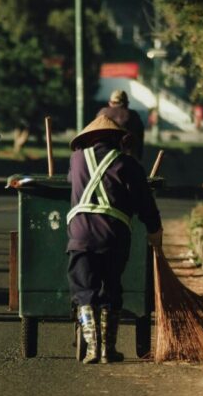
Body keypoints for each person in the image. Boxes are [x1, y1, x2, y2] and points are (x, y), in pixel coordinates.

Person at [66, 115, 162, 365]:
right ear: (118, 140)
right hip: (113, 237)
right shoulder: (128, 164)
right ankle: (108, 350)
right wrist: (154, 231)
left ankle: (91, 349)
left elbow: (71, 183)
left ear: (89, 139)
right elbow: (145, 203)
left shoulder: (76, 160)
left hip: (80, 237)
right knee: (110, 287)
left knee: (84, 290)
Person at [96, 89, 145, 161]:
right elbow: (140, 139)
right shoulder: (134, 116)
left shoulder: (102, 113)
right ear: (127, 103)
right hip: (128, 160)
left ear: (110, 103)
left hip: (103, 160)